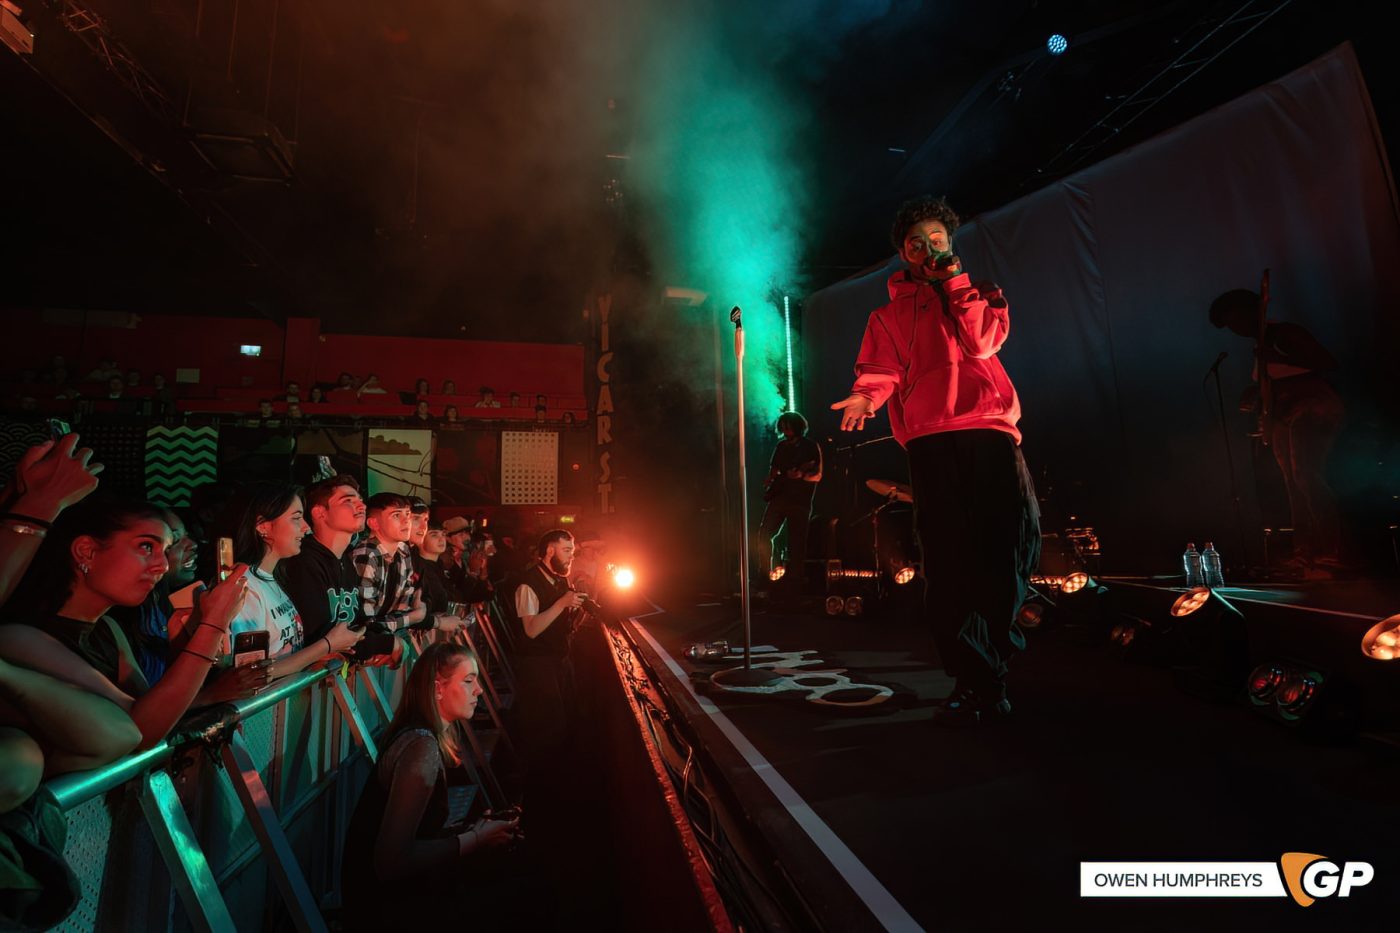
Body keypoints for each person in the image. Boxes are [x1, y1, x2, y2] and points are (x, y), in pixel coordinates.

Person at [831, 196, 1040, 726]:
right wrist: (865, 397)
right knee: (947, 566)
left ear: (950, 243)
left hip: (987, 431)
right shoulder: (887, 315)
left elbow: (983, 342)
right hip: (929, 441)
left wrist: (955, 286)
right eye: (916, 244)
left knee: (1009, 549)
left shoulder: (980, 293)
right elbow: (881, 369)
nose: (928, 249)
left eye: (936, 240)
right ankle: (974, 679)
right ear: (904, 254)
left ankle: (993, 655)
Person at [0, 497, 252, 748]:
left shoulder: (108, 629)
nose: (163, 566)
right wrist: (214, 623)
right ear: (86, 552)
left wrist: (181, 646)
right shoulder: (22, 639)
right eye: (146, 547)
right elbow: (140, 731)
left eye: (165, 551)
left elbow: (151, 710)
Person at [340, 643, 524, 930]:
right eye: (468, 681)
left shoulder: (419, 735)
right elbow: (391, 862)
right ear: (438, 688)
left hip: (394, 901)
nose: (479, 690)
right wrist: (474, 840)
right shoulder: (421, 748)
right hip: (388, 912)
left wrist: (473, 832)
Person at [1209, 288, 1345, 574]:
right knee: (1293, 483)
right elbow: (1277, 379)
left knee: (1306, 475)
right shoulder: (1261, 343)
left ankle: (1332, 549)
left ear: (1253, 311)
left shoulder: (1283, 333)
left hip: (1311, 406)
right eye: (1231, 326)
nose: (1236, 329)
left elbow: (1327, 362)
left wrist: (1279, 356)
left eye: (1236, 320)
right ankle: (1305, 550)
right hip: (1283, 413)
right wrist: (1256, 396)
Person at [219, 483, 362, 679]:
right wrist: (327, 645)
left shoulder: (276, 579)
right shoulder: (246, 587)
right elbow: (250, 674)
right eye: (296, 518)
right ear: (262, 526)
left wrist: (315, 658)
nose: (306, 527)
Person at [280, 476, 399, 665]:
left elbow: (357, 625)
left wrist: (384, 639)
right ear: (320, 513)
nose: (361, 506)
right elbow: (321, 640)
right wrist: (388, 644)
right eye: (348, 501)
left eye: (361, 500)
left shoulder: (345, 561)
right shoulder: (303, 562)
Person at [512, 531, 586, 756]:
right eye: (566, 550)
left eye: (572, 551)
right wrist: (562, 604)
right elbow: (531, 630)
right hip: (538, 664)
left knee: (569, 717)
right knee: (548, 726)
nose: (571, 556)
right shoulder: (528, 584)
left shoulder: (560, 580)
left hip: (559, 658)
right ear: (550, 551)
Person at [756, 412, 822, 593]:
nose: (785, 430)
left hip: (800, 500)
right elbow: (774, 468)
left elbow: (817, 474)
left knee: (797, 542)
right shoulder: (781, 446)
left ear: (797, 427)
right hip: (779, 497)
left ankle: (795, 582)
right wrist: (770, 479)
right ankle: (765, 573)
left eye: (788, 426)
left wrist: (801, 475)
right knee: (764, 534)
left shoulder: (810, 446)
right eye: (783, 426)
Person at [352, 493, 426, 633]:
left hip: (391, 631)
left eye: (408, 514)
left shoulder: (403, 550)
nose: (406, 521)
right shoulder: (367, 554)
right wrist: (412, 618)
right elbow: (365, 623)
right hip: (365, 639)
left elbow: (403, 606)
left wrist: (411, 615)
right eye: (396, 515)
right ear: (374, 523)